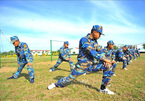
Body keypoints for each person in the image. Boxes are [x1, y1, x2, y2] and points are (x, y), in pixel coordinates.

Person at [48, 25, 115, 95]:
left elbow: (100, 51)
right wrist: (103, 59)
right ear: (94, 32)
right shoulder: (84, 39)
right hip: (82, 66)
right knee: (69, 79)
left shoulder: (95, 42)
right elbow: (90, 51)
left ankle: (103, 88)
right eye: (100, 34)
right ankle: (56, 84)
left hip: (91, 65)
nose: (100, 36)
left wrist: (107, 60)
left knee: (108, 66)